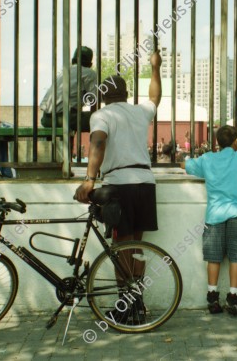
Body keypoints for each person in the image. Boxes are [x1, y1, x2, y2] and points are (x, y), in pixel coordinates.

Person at [74, 51, 161, 325]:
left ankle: (126, 306)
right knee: (136, 246)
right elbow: (155, 98)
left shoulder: (102, 115)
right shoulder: (139, 111)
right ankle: (137, 304)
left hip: (120, 186)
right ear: (126, 94)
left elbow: (97, 144)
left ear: (102, 95)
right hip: (145, 183)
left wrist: (89, 179)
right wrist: (155, 68)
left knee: (119, 246)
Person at [182, 125, 237, 316]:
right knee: (236, 256)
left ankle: (212, 296)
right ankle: (233, 297)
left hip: (214, 215)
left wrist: (184, 159)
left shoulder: (206, 159)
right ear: (236, 141)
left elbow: (186, 166)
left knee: (213, 257)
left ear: (217, 143)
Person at [40, 46, 97, 133]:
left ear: (73, 59)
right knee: (101, 119)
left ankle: (68, 146)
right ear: (90, 63)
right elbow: (94, 101)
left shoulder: (65, 72)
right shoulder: (90, 73)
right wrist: (94, 120)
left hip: (46, 119)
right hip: (64, 119)